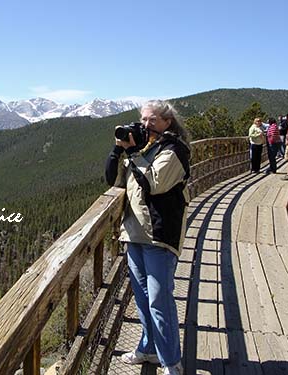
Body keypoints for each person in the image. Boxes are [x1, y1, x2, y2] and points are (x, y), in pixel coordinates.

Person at [105, 100, 188, 375]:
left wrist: (132, 153)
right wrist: (118, 151)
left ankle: (171, 362)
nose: (145, 125)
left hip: (159, 234)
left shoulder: (174, 150)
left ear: (167, 122)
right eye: (143, 119)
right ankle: (149, 348)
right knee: (142, 298)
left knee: (159, 300)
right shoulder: (144, 148)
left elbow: (154, 182)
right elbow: (114, 181)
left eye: (152, 120)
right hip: (134, 231)